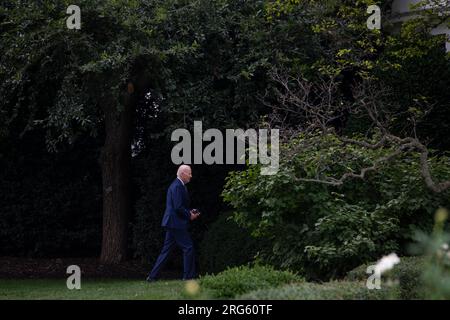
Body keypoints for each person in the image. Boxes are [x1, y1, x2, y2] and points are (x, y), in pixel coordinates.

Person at [146, 165, 200, 282]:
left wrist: (189, 212)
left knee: (166, 251)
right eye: (189, 173)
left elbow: (179, 207)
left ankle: (152, 277)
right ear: (182, 173)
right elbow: (178, 207)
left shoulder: (178, 185)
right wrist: (189, 215)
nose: (191, 176)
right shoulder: (177, 186)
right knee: (188, 247)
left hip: (173, 223)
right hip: (176, 223)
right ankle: (188, 277)